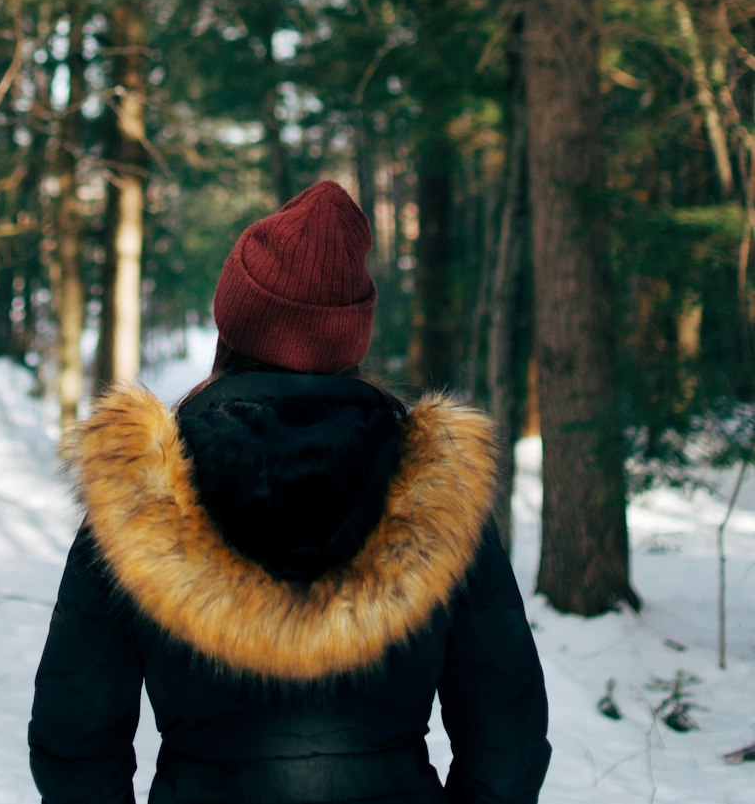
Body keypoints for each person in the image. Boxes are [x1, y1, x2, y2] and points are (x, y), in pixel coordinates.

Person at [29, 180, 551, 804]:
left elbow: (76, 736)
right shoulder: (434, 489)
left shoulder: (143, 485)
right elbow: (508, 737)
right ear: (350, 337)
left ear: (234, 323)